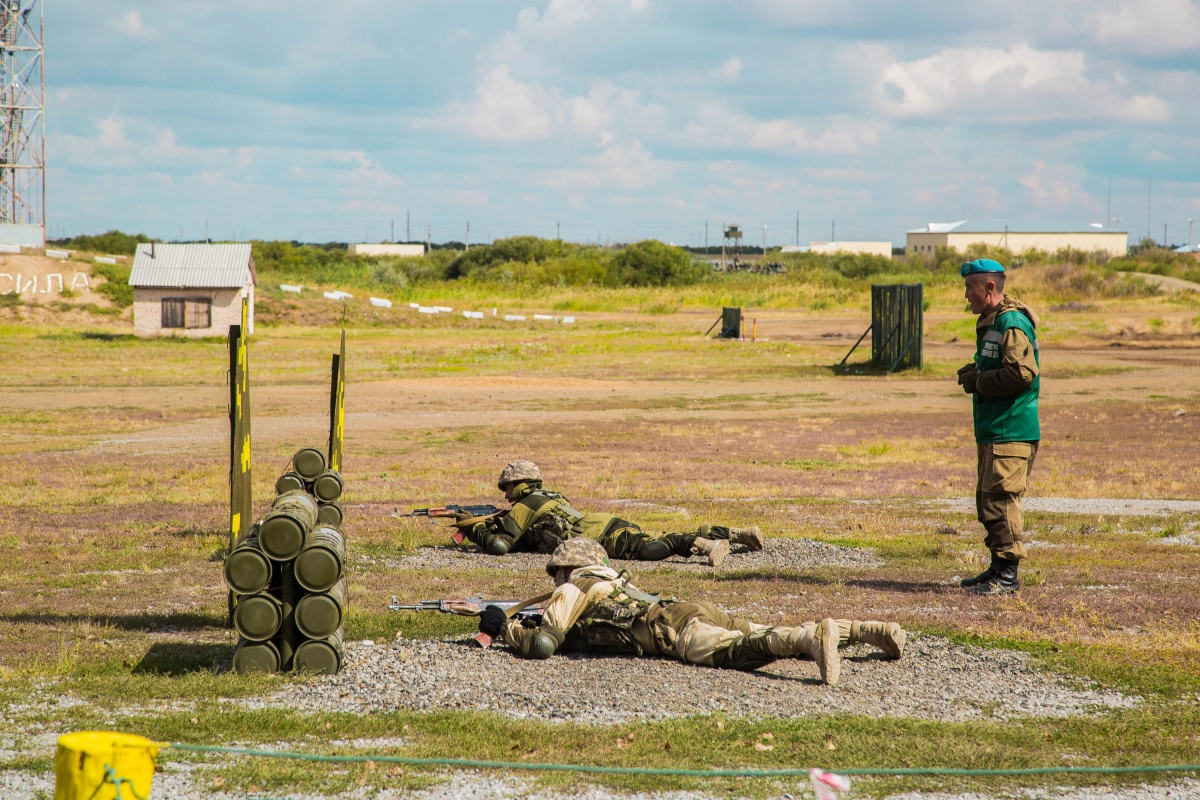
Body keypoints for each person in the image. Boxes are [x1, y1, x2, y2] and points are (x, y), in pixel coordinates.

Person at [476, 538, 906, 686]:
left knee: (740, 651)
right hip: (685, 608)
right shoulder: (612, 581)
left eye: (556, 573)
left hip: (672, 630)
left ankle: (812, 637)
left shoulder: (573, 588)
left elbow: (546, 644)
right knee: (760, 628)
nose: (554, 582)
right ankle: (867, 629)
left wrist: (506, 629)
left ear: (567, 568)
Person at [455, 460, 764, 566]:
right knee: (655, 537)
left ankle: (701, 545)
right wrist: (492, 522)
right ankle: (734, 533)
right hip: (603, 524)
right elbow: (530, 539)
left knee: (648, 549)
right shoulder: (547, 497)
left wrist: (472, 527)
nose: (505, 495)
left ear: (517, 484)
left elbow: (500, 546)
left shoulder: (526, 504)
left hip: (597, 535)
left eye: (506, 488)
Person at [956, 259, 1041, 595]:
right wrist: (975, 372)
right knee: (988, 501)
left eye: (969, 287)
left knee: (1002, 500)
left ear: (988, 287)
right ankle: (997, 568)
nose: (966, 295)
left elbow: (1022, 373)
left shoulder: (1012, 322)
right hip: (995, 428)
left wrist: (981, 381)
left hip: (1012, 429)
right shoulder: (993, 321)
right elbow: (1000, 366)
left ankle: (1008, 575)